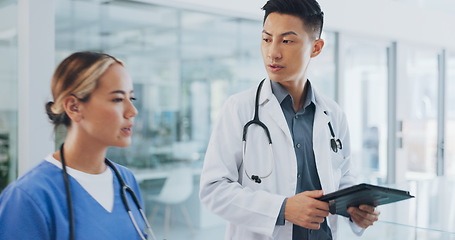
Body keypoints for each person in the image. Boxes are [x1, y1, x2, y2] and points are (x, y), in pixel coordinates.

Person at [199, 0, 380, 239]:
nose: (272, 52)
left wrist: (357, 210)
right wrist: (282, 209)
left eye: (286, 40)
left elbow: (343, 177)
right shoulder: (238, 109)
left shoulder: (333, 114)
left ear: (316, 47)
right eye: (266, 39)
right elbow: (213, 190)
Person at [0, 52, 155, 240]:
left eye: (132, 99)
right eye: (117, 99)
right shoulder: (28, 197)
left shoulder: (126, 181)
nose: (132, 111)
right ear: (74, 107)